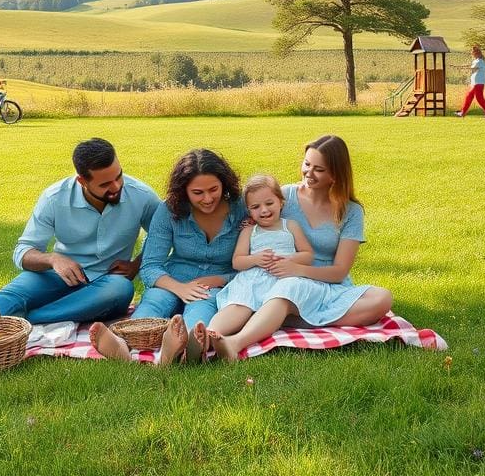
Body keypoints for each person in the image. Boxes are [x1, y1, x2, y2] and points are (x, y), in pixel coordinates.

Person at [208, 135, 393, 362]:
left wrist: (298, 269)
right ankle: (238, 341)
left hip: (325, 284)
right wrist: (248, 224)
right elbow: (256, 209)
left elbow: (339, 272)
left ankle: (280, 317)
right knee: (291, 288)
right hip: (281, 283)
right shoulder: (285, 196)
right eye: (307, 164)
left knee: (382, 298)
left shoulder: (351, 211)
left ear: (336, 173)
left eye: (319, 169)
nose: (308, 173)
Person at [0, 138, 161, 324]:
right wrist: (53, 259)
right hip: (59, 276)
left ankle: (28, 319)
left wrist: (137, 264)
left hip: (108, 281)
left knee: (120, 289)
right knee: (14, 294)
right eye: (104, 184)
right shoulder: (54, 198)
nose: (116, 186)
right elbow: (23, 251)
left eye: (118, 176)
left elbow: (163, 236)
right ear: (81, 181)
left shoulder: (141, 195)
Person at [89, 148, 247, 365]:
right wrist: (179, 288)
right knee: (156, 300)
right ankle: (122, 344)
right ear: (184, 191)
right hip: (173, 278)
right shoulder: (169, 210)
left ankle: (186, 347)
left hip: (215, 285)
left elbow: (253, 264)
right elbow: (150, 264)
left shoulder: (242, 209)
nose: (208, 198)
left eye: (214, 189)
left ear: (224, 184)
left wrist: (220, 280)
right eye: (198, 193)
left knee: (202, 307)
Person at [211, 173, 315, 327]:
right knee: (241, 305)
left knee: (282, 301)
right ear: (249, 211)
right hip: (254, 280)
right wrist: (255, 259)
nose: (264, 210)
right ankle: (211, 333)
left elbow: (308, 255)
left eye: (269, 203)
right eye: (256, 207)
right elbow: (237, 261)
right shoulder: (249, 231)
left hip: (284, 277)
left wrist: (288, 259)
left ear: (281, 202)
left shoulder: (290, 226)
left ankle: (267, 321)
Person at [454, 45, 485, 119]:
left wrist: (461, 68)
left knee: (479, 99)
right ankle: (463, 113)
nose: (472, 54)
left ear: (476, 53)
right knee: (468, 97)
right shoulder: (476, 61)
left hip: (478, 82)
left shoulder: (480, 61)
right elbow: (471, 66)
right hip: (474, 83)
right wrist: (460, 67)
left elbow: (473, 69)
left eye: (472, 53)